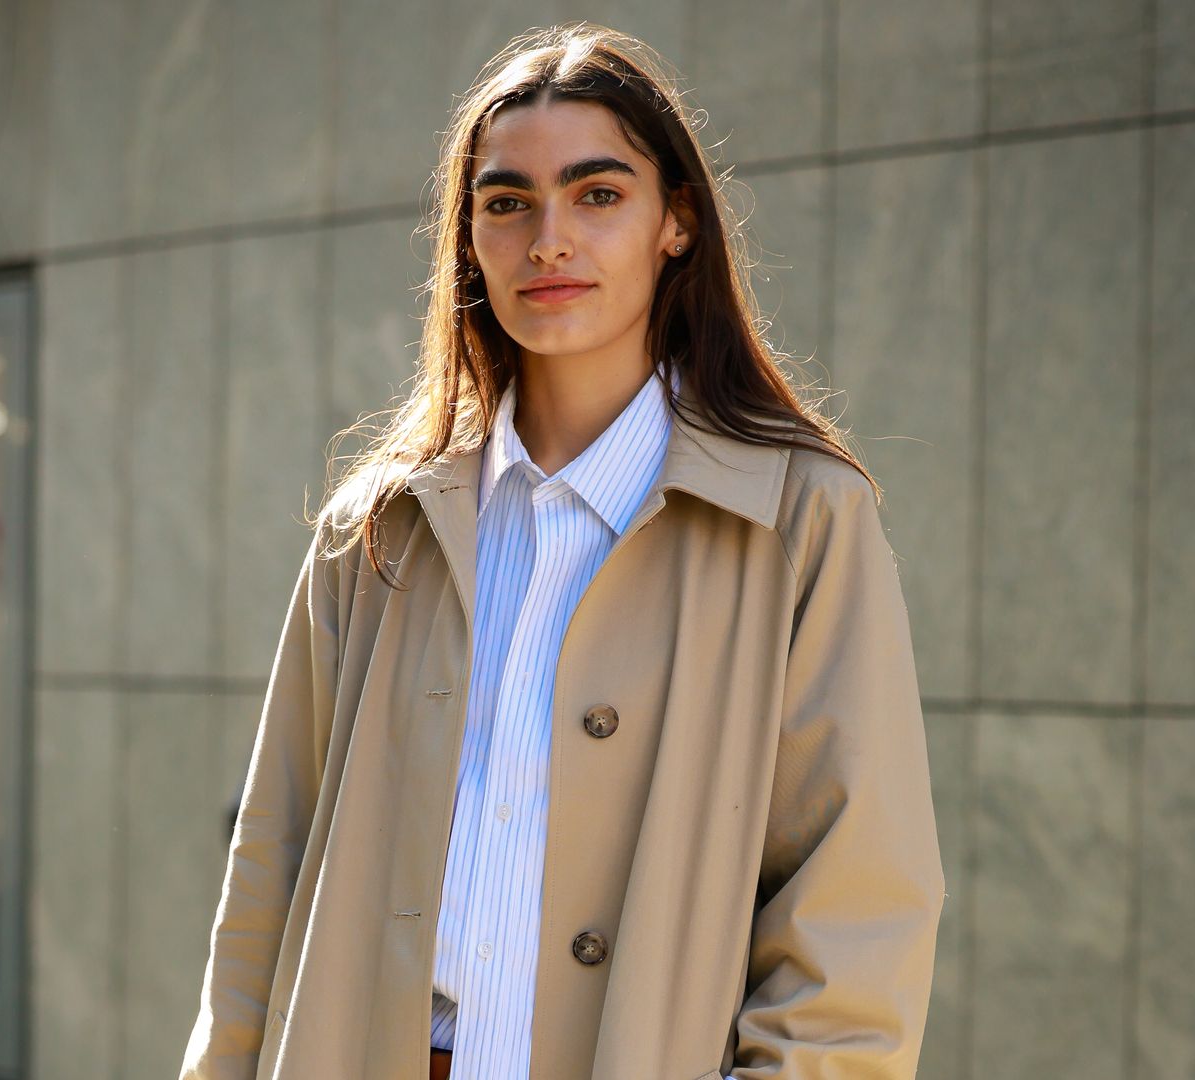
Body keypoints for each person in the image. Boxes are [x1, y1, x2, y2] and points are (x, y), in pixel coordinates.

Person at [181, 22, 943, 1080]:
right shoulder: (377, 530)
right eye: (508, 203)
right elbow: (272, 862)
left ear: (676, 220)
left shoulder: (800, 519)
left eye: (598, 194)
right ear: (469, 240)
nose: (549, 240)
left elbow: (855, 895)